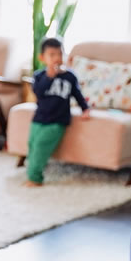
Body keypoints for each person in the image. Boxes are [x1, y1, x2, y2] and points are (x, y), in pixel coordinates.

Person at [26, 37, 92, 186]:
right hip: (39, 119)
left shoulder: (69, 76)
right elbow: (38, 92)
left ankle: (35, 178)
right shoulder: (39, 76)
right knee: (32, 144)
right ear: (42, 58)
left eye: (60, 54)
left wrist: (85, 109)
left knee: (41, 145)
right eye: (52, 55)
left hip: (57, 120)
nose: (57, 58)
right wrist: (49, 77)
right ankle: (31, 170)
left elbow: (78, 95)